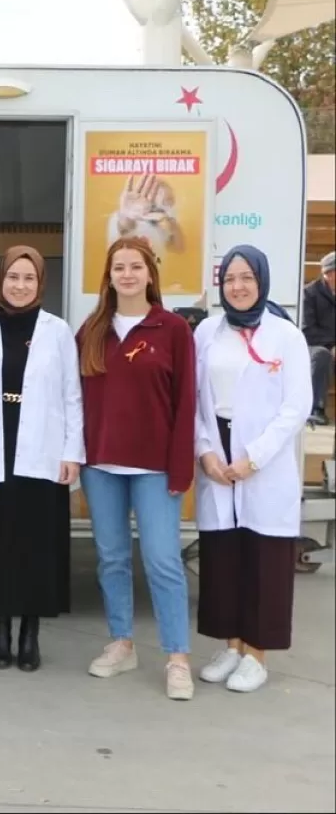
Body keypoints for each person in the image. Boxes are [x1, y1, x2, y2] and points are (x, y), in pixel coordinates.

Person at [77, 236, 197, 701]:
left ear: (150, 273)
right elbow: (76, 401)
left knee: (163, 561)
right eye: (118, 267)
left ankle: (177, 656)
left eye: (135, 267)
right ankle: (122, 642)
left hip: (154, 468)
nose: (126, 274)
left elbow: (186, 403)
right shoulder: (91, 330)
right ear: (108, 276)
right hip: (101, 464)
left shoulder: (172, 330)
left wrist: (180, 468)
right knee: (111, 558)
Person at [193, 245, 311, 693]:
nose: (238, 287)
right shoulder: (206, 332)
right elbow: (195, 401)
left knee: (263, 556)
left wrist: (254, 457)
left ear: (261, 281)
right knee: (223, 556)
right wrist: (206, 451)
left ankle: (257, 652)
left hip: (264, 459)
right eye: (230, 279)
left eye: (247, 278)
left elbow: (296, 406)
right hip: (217, 454)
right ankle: (232, 644)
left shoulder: (286, 335)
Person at [0, 246, 83, 672]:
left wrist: (73, 452)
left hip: (43, 452)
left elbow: (72, 395)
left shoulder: (58, 331)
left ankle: (30, 634)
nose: (20, 285)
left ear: (40, 283)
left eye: (29, 278)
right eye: (13, 277)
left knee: (36, 547)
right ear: (0, 281)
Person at [301, 250, 335, 426]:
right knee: (321, 355)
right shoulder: (309, 294)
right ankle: (316, 409)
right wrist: (331, 345)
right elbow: (307, 330)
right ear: (329, 274)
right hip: (314, 345)